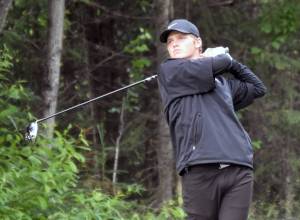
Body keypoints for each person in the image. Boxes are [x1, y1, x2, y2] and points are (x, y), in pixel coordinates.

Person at [157, 19, 267, 220]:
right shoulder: (170, 71)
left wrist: (233, 63)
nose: (174, 43)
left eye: (181, 38)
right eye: (170, 41)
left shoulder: (222, 84)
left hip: (237, 167)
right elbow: (219, 63)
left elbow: (258, 88)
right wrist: (221, 59)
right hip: (199, 170)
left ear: (198, 42)